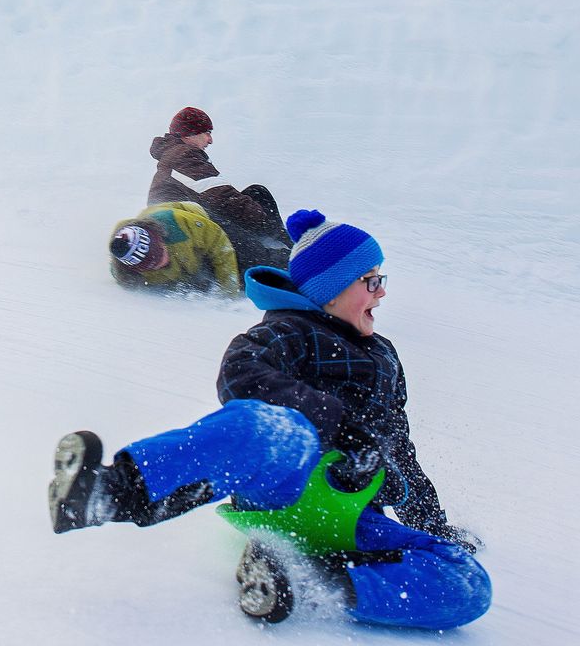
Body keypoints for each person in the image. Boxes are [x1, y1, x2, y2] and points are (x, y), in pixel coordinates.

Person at [50, 209, 491, 630]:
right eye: (370, 280)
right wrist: (335, 423)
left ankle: (310, 582)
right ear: (331, 289)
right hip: (284, 483)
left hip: (351, 510)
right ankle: (107, 494)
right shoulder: (289, 330)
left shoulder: (384, 356)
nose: (382, 292)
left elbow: (400, 444)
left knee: (469, 584)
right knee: (269, 426)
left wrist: (432, 525)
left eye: (381, 279)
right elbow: (241, 375)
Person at [148, 107, 291, 272]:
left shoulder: (175, 154)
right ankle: (284, 260)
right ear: (189, 133)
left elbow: (218, 196)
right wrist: (262, 220)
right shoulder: (182, 156)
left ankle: (282, 243)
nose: (210, 140)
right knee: (253, 200)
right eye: (206, 132)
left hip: (184, 226)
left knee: (256, 193)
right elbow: (221, 197)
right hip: (181, 233)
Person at [108, 201, 241, 296]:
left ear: (159, 238)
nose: (163, 261)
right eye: (152, 265)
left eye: (160, 253)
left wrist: (228, 291)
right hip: (191, 264)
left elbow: (220, 245)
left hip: (206, 226)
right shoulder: (128, 275)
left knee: (252, 264)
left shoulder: (175, 225)